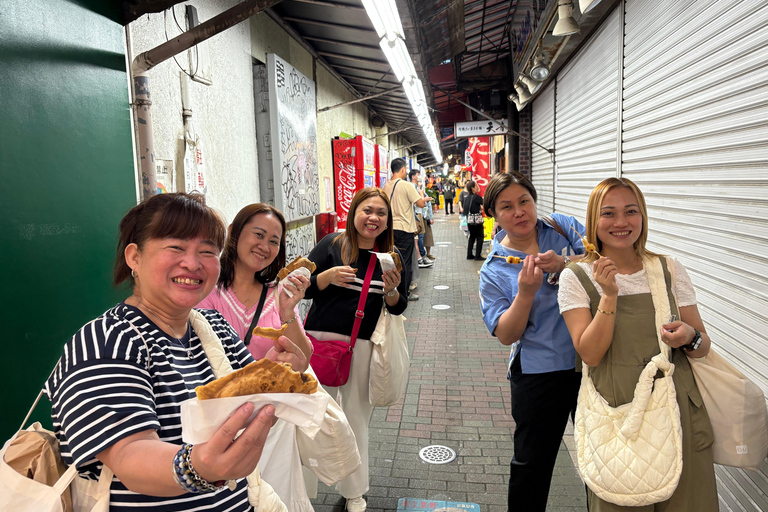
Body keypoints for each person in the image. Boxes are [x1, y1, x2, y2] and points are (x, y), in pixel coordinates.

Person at [44, 192, 309, 511]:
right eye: (176, 247)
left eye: (207, 251)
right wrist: (197, 467)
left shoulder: (214, 327)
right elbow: (130, 455)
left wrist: (273, 378)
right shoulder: (109, 340)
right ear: (135, 257)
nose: (193, 263)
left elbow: (246, 410)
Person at [558, 177, 717, 511]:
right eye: (609, 213)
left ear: (642, 217)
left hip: (677, 410)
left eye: (631, 211)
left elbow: (702, 345)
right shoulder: (577, 276)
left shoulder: (668, 270)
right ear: (594, 221)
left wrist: (689, 337)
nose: (621, 222)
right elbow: (590, 353)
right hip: (617, 413)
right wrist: (610, 295)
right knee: (620, 499)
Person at [478, 173, 586, 512]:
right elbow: (506, 335)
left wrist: (566, 263)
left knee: (602, 455)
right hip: (540, 374)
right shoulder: (494, 269)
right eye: (506, 206)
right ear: (494, 214)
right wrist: (525, 294)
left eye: (524, 201)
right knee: (532, 466)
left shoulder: (563, 228)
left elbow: (609, 262)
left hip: (595, 362)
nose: (519, 212)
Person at [197, 203, 315, 512]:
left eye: (274, 241)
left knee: (278, 497)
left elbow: (304, 357)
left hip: (272, 422)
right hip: (222, 425)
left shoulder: (279, 294)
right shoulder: (206, 292)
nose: (265, 246)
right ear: (235, 234)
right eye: (258, 235)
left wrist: (289, 311)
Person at [303, 188, 408, 512]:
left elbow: (399, 305)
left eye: (380, 213)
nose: (373, 218)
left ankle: (354, 491)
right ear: (353, 213)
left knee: (355, 419)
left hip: (361, 347)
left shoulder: (390, 257)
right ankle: (302, 487)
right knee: (308, 416)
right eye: (367, 210)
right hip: (317, 343)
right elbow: (300, 286)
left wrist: (391, 292)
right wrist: (326, 277)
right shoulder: (331, 246)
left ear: (387, 221)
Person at [382, 158, 430, 301]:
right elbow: (420, 204)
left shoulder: (385, 186)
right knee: (405, 263)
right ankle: (405, 293)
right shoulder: (406, 185)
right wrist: (422, 195)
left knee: (392, 262)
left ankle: (392, 290)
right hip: (404, 229)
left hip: (389, 230)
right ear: (403, 170)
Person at [410, 169, 434, 268]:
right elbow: (418, 202)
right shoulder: (412, 187)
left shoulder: (417, 187)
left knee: (420, 236)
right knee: (418, 237)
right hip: (416, 214)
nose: (419, 177)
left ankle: (422, 257)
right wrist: (424, 198)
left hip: (420, 214)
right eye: (418, 175)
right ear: (413, 177)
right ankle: (421, 257)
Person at [462, 180, 485, 260]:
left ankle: (469, 254)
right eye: (476, 186)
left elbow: (465, 210)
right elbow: (484, 205)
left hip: (469, 220)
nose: (478, 187)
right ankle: (478, 255)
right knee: (480, 237)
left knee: (472, 237)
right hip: (477, 221)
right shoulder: (477, 197)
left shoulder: (467, 198)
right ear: (472, 188)